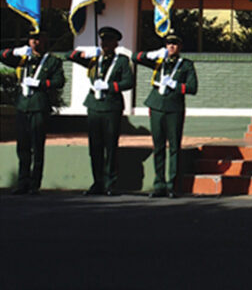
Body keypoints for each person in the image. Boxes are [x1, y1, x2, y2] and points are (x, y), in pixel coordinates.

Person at [67, 27, 134, 196]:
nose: (105, 44)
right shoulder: (94, 58)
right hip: (94, 106)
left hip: (111, 106)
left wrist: (109, 86)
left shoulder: (122, 61)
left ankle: (110, 183)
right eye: (103, 40)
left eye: (109, 41)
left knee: (110, 146)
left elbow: (128, 82)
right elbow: (70, 56)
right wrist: (85, 52)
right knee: (95, 147)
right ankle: (97, 182)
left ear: (116, 43)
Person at [133, 29, 198, 198]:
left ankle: (173, 185)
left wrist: (175, 85)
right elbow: (135, 57)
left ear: (180, 46)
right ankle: (159, 185)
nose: (171, 46)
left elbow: (192, 88)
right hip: (156, 106)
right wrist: (152, 54)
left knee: (174, 147)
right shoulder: (159, 61)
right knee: (158, 147)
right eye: (169, 43)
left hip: (174, 108)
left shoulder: (186, 65)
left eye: (175, 44)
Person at [1, 30, 65, 195]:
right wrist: (15, 51)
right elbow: (2, 55)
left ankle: (34, 184)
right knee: (22, 146)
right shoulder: (23, 59)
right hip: (23, 106)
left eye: (38, 39)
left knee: (37, 146)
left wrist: (40, 83)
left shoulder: (52, 61)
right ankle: (22, 182)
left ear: (44, 40)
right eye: (32, 39)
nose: (35, 43)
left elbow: (59, 81)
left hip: (38, 106)